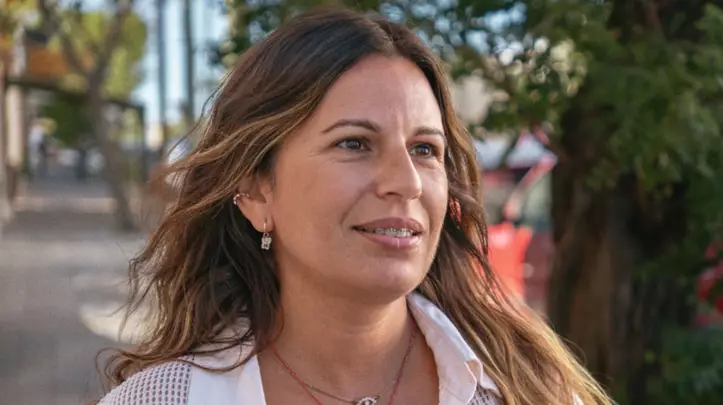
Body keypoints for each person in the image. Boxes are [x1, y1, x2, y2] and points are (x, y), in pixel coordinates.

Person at [98, 7, 612, 405]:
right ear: (255, 192)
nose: (406, 182)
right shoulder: (160, 399)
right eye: (354, 143)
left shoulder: (531, 389)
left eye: (424, 150)